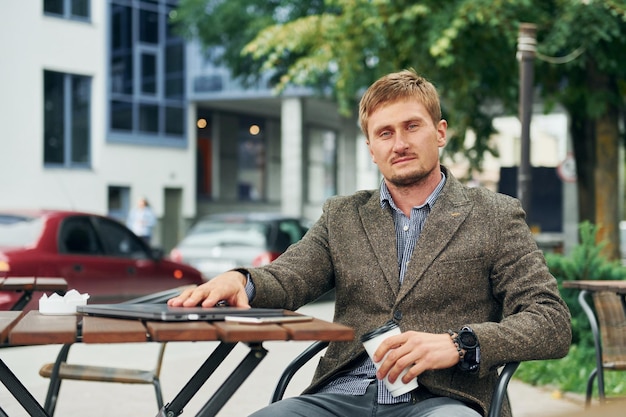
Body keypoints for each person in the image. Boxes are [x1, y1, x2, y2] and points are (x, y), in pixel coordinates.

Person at [168, 69, 572, 417]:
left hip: (444, 398)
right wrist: (242, 281)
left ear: (440, 132)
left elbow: (551, 321)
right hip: (340, 396)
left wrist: (460, 344)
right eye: (385, 133)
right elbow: (291, 275)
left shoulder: (495, 215)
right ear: (371, 149)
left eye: (412, 126)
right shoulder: (343, 215)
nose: (400, 143)